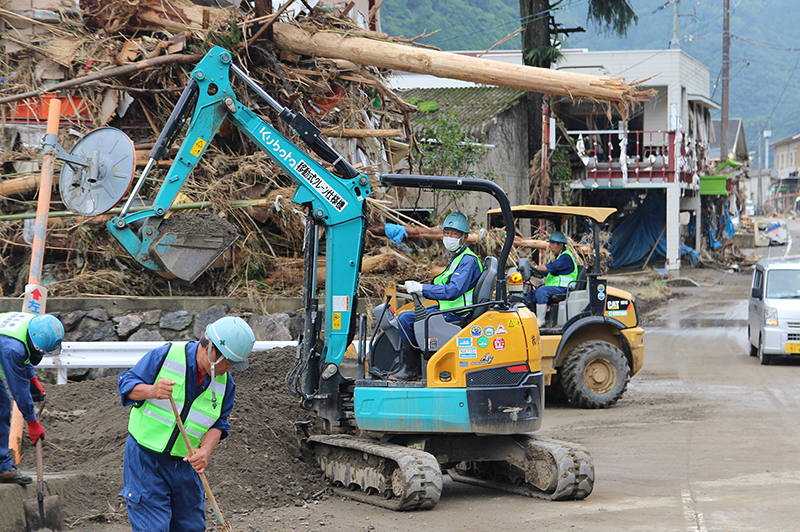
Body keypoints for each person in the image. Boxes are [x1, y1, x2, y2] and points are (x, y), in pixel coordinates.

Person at [118, 316, 255, 532]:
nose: (229, 369)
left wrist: (205, 452)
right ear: (212, 351)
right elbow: (126, 385)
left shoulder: (226, 384)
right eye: (228, 362)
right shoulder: (166, 356)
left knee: (190, 527)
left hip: (185, 467)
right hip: (146, 460)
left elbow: (219, 424)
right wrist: (152, 390)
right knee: (153, 528)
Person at [394, 212, 483, 380]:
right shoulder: (458, 258)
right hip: (450, 308)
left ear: (464, 237)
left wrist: (421, 288)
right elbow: (442, 283)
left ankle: (412, 369)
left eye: (454, 234)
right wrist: (420, 285)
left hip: (458, 312)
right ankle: (412, 366)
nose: (449, 237)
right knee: (406, 315)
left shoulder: (467, 261)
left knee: (405, 319)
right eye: (447, 233)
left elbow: (452, 291)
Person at [0, 312, 64, 485]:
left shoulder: (33, 323)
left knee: (2, 406)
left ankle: (2, 467)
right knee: (2, 405)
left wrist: (32, 379)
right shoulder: (11, 349)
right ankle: (2, 467)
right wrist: (32, 423)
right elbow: (19, 391)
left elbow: (25, 355)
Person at [525, 231, 578, 327]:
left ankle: (541, 320)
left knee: (542, 291)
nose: (550, 246)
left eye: (553, 244)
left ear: (561, 245)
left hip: (564, 288)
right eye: (550, 244)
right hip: (557, 287)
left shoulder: (566, 257)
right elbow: (546, 272)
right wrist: (534, 271)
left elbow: (550, 268)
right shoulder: (560, 257)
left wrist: (534, 267)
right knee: (531, 294)